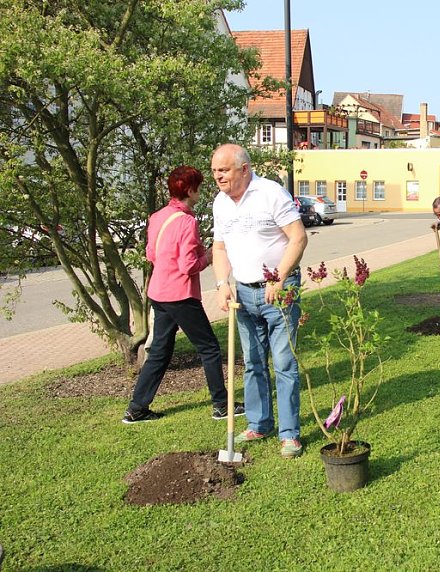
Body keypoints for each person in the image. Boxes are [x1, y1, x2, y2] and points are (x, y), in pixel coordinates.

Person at [123, 166, 245, 424]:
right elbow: (188, 266)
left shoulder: (157, 216)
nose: (201, 191)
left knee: (159, 351)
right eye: (199, 187)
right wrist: (210, 256)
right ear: (190, 190)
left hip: (158, 291)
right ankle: (222, 405)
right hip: (180, 295)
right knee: (209, 348)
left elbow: (150, 254)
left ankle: (136, 408)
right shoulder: (187, 222)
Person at [210, 144, 308, 459]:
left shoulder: (271, 194)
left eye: (223, 170)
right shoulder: (220, 204)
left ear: (244, 169)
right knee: (253, 362)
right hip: (243, 293)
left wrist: (278, 278)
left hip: (278, 291)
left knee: (283, 362)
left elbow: (298, 237)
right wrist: (222, 283)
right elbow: (220, 248)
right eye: (214, 171)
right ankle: (259, 423)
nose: (218, 177)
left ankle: (289, 434)